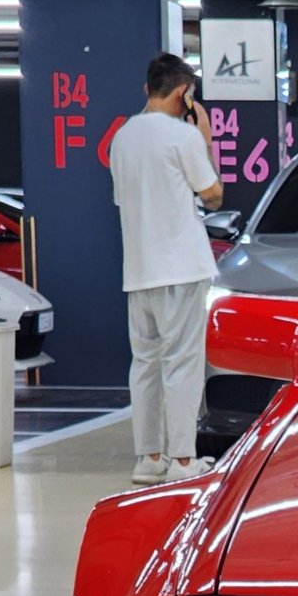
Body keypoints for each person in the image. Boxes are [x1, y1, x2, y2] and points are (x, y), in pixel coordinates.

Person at [108, 53, 224, 486]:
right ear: (183, 94)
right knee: (183, 364)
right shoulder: (184, 136)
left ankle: (149, 457)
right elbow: (213, 195)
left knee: (145, 363)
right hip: (181, 267)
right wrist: (205, 141)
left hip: (139, 269)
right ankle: (182, 459)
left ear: (147, 89)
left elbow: (122, 199)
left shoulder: (122, 138)